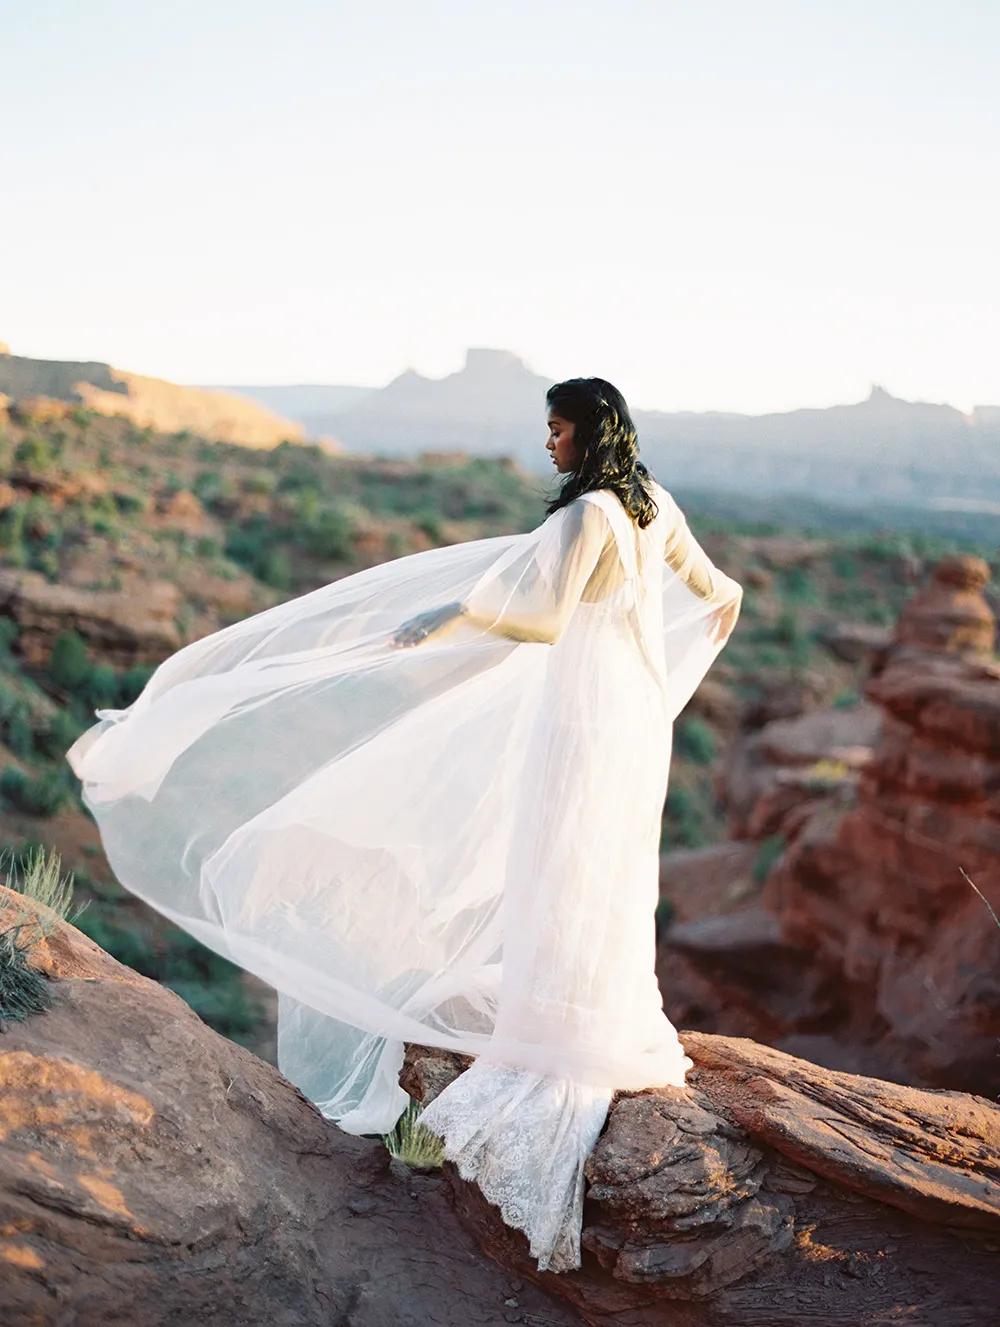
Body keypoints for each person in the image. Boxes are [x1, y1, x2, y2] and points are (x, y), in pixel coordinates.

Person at [66, 377, 742, 1273]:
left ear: (589, 430)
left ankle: (556, 1027)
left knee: (556, 857)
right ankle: (597, 1009)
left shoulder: (584, 520)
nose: (549, 443)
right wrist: (668, 662)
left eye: (557, 428)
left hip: (580, 715)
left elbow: (542, 621)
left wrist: (450, 615)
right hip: (634, 717)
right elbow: (717, 590)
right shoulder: (657, 504)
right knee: (606, 865)